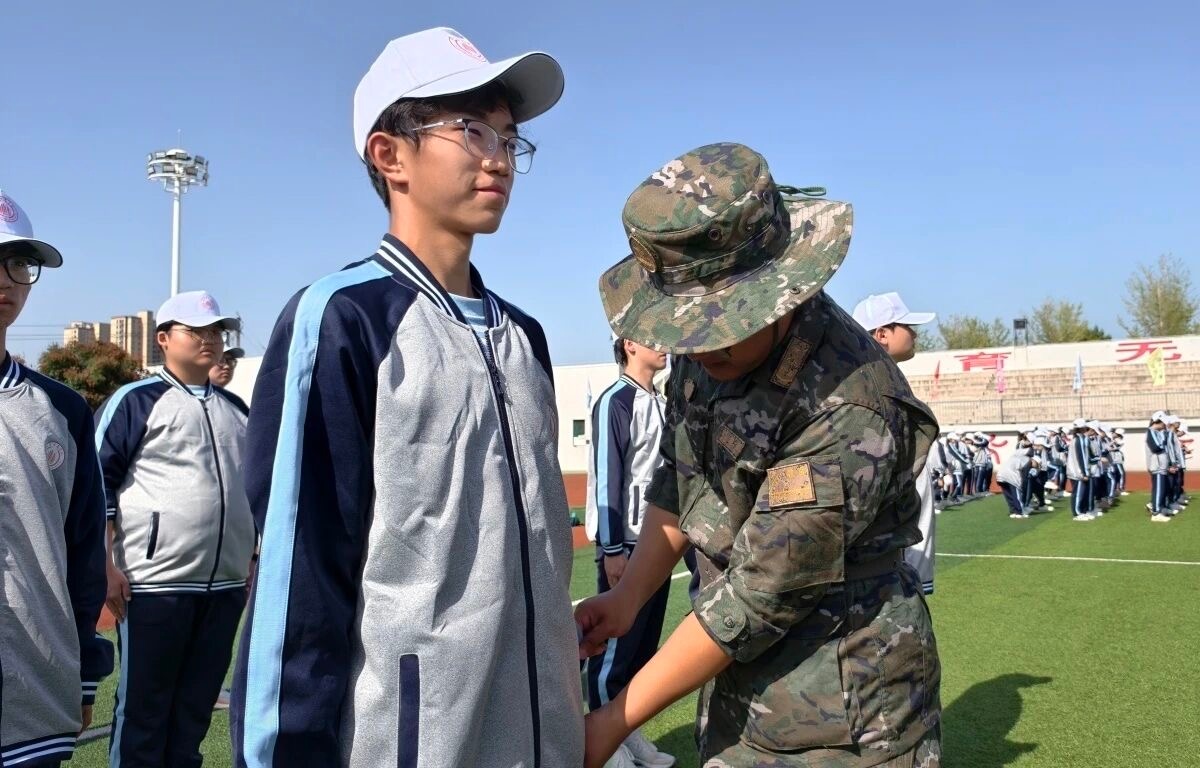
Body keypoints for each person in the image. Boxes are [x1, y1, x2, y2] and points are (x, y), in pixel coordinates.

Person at [230, 27, 582, 768]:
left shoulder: (524, 336)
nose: (498, 158)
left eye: (509, 139)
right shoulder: (343, 317)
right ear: (390, 155)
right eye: (472, 130)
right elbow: (301, 570)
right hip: (409, 738)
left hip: (541, 735)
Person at [577, 143, 941, 767]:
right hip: (738, 685)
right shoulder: (706, 355)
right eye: (684, 327)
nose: (698, 349)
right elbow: (681, 480)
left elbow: (762, 592)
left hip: (846, 713)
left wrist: (613, 720)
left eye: (715, 324)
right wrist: (628, 598)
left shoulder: (848, 401)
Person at [96, 290, 254, 768]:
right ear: (163, 339)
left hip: (225, 586)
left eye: (216, 331)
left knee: (194, 713)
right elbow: (96, 485)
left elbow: (254, 490)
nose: (210, 339)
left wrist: (250, 557)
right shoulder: (135, 400)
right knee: (143, 712)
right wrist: (104, 565)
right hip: (154, 585)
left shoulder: (236, 409)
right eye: (196, 330)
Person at [0, 189, 113, 766]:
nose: (6, 278)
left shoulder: (62, 410)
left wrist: (86, 670)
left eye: (19, 262)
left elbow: (82, 548)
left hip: (35, 688)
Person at [584, 336, 673, 768]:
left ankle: (628, 730)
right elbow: (608, 474)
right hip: (627, 544)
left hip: (657, 542)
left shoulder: (662, 401)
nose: (665, 345)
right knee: (614, 651)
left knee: (642, 649)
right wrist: (612, 548)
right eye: (654, 338)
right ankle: (605, 743)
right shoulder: (615, 401)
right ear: (630, 345)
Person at [852, 292, 937, 594]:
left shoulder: (866, 386)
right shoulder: (883, 396)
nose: (914, 333)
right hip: (886, 572)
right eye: (907, 326)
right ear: (882, 334)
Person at [1146, 412, 1174, 521]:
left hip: (1162, 465)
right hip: (1157, 465)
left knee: (1162, 488)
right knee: (1158, 489)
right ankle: (1156, 513)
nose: (1164, 425)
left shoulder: (1158, 432)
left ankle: (1161, 508)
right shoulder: (1151, 431)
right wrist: (1165, 438)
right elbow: (1156, 447)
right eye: (1163, 423)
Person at [997, 442, 1035, 519]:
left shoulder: (1014, 456)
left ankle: (1013, 511)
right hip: (1012, 477)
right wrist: (1022, 487)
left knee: (1008, 495)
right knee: (1016, 496)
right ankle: (1019, 512)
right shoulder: (1027, 460)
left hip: (1000, 476)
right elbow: (1024, 476)